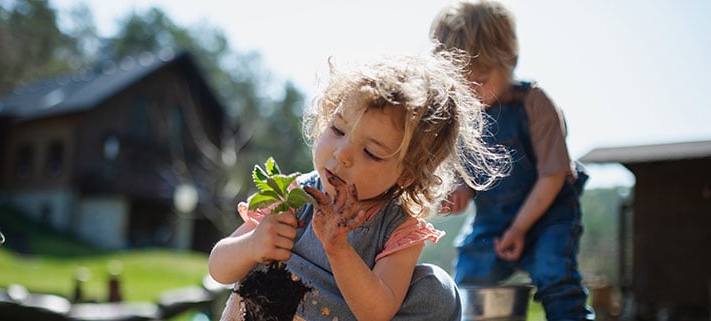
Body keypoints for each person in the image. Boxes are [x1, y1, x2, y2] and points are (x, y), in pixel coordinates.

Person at [207, 50, 507, 321]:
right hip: (262, 309)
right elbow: (219, 268)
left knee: (437, 290)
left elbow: (376, 312)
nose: (342, 154)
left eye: (371, 152)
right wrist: (252, 245)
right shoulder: (293, 193)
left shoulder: (398, 230)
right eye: (337, 129)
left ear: (407, 175)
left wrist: (338, 249)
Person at [430, 1, 595, 320]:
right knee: (469, 275)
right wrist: (461, 190)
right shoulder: (462, 119)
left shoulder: (534, 104)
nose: (471, 91)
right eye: (461, 83)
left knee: (555, 276)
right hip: (493, 220)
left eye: (480, 79)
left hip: (549, 213)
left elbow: (553, 175)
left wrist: (520, 229)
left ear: (510, 62)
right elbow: (465, 175)